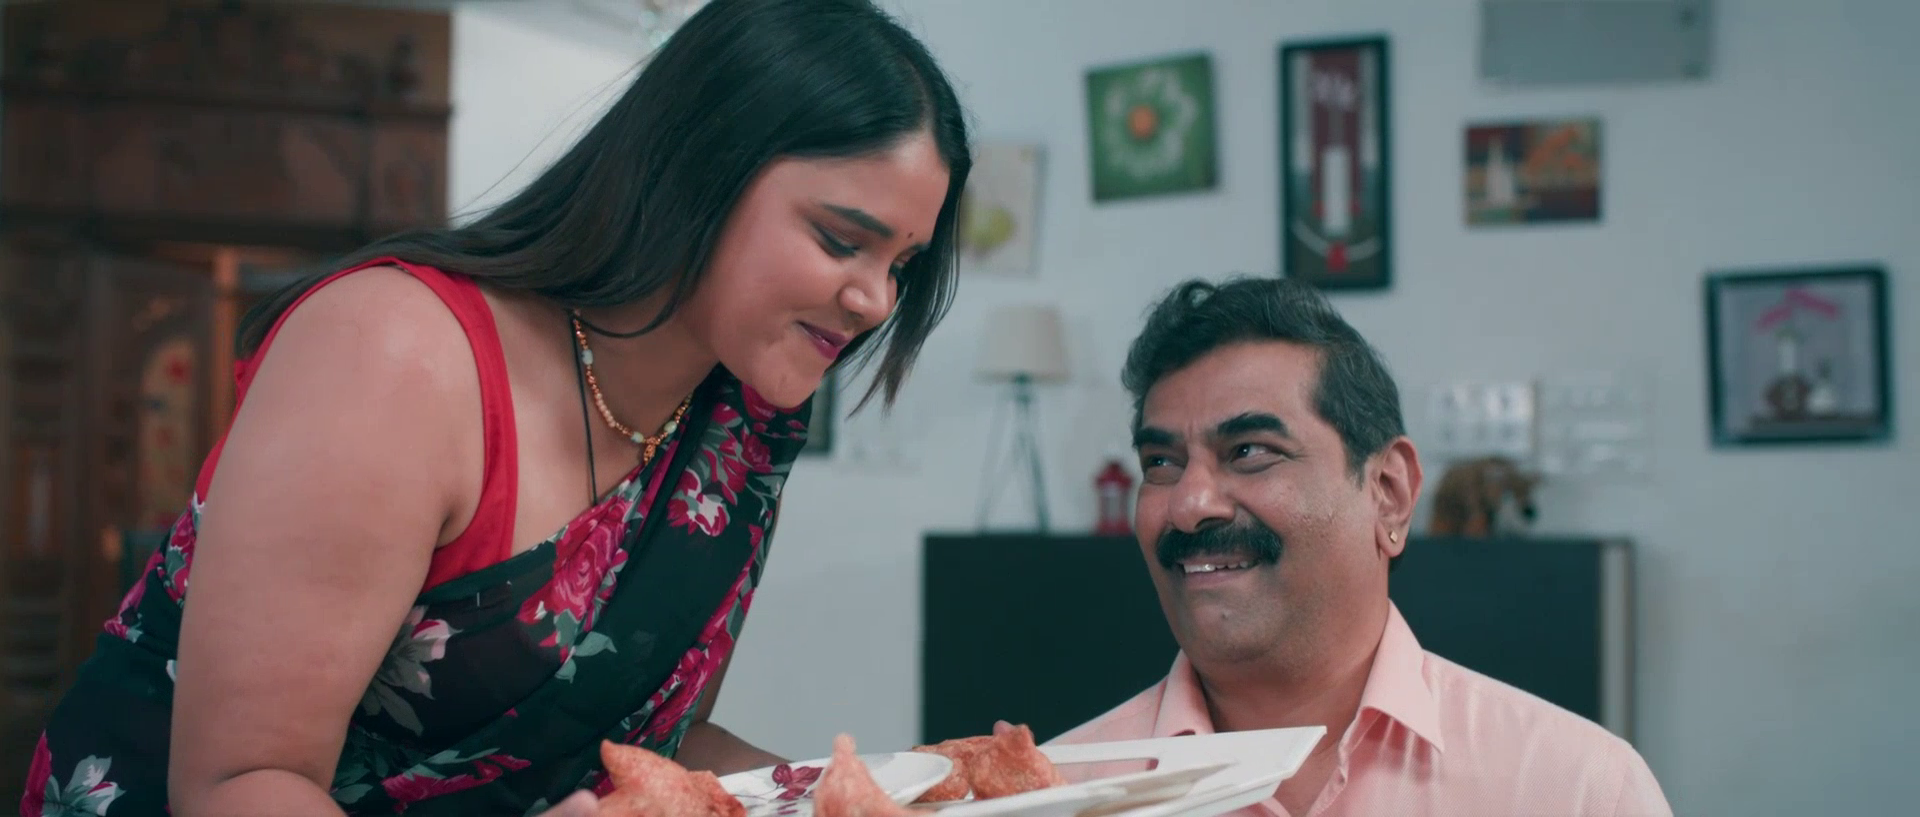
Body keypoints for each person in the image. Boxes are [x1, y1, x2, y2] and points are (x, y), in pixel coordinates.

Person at [21, 0, 970, 814]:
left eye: (902, 265)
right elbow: (238, 783)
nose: (876, 300)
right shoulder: (396, 353)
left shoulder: (741, 426)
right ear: (705, 163)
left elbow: (638, 748)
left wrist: (863, 794)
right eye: (842, 240)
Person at [1047, 277, 1671, 817]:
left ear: (1389, 493)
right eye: (1161, 462)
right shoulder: (1058, 795)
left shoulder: (1577, 789)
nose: (1189, 503)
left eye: (1249, 451)